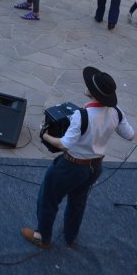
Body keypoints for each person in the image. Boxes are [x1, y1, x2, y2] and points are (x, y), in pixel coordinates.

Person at [23, 67, 134, 250]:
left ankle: (42, 237)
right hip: (95, 167)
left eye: (89, 85)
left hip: (71, 166)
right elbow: (129, 135)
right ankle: (70, 237)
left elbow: (64, 144)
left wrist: (44, 135)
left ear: (93, 92)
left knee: (48, 199)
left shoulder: (81, 116)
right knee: (78, 201)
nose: (86, 85)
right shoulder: (116, 111)